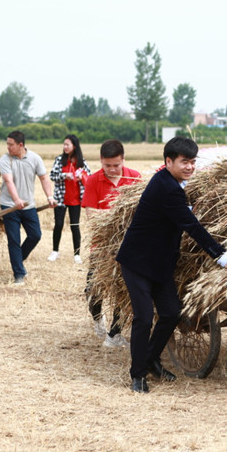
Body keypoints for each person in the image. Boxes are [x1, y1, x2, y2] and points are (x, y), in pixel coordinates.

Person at [116, 136, 227, 393]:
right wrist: (222, 256)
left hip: (159, 264)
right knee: (144, 318)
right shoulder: (167, 188)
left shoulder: (172, 183)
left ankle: (150, 360)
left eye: (193, 162)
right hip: (138, 263)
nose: (190, 167)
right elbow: (191, 226)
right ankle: (138, 374)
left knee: (171, 312)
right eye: (185, 162)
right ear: (168, 161)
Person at [82, 139, 141, 349]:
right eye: (108, 166)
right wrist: (120, 215)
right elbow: (91, 215)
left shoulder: (135, 178)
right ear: (101, 161)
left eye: (116, 165)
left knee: (123, 290)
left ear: (123, 159)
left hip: (129, 246)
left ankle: (114, 334)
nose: (113, 170)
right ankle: (98, 320)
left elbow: (141, 213)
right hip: (101, 246)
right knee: (92, 290)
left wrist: (108, 215)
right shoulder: (93, 180)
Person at [0, 130, 56, 285]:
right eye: (7, 144)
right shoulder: (5, 160)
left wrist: (49, 197)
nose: (8, 147)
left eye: (11, 144)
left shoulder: (34, 158)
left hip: (28, 204)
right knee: (14, 240)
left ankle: (18, 260)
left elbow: (44, 178)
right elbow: (9, 181)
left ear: (21, 145)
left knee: (35, 235)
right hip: (10, 205)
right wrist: (16, 200)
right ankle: (18, 273)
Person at [48, 134, 90, 264]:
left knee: (75, 226)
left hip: (76, 199)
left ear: (74, 146)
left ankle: (77, 254)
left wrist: (81, 177)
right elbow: (52, 176)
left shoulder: (81, 162)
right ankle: (55, 251)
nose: (65, 147)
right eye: (64, 144)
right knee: (58, 224)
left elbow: (89, 178)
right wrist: (64, 175)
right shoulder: (59, 160)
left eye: (68, 144)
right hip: (60, 198)